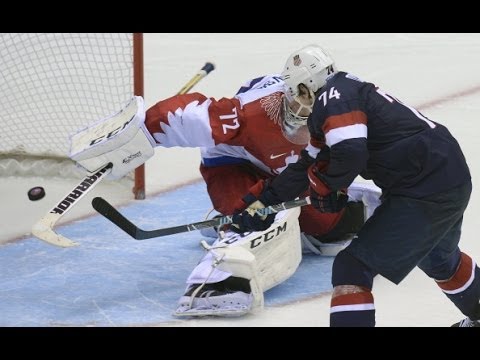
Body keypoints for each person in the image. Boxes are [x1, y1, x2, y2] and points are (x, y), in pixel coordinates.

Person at [70, 67, 381, 317]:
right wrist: (142, 133)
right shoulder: (252, 113)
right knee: (248, 215)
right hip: (234, 164)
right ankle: (222, 272)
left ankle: (353, 205)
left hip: (291, 174)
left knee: (329, 229)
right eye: (295, 107)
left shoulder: (341, 116)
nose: (299, 116)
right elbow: (188, 115)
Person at [232, 44, 480, 326]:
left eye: (295, 89)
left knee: (352, 267)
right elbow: (306, 167)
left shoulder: (333, 98)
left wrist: (327, 187)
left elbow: (350, 152)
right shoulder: (340, 97)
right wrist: (260, 202)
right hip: (445, 177)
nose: (293, 98)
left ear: (308, 84)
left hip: (425, 187)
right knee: (440, 260)